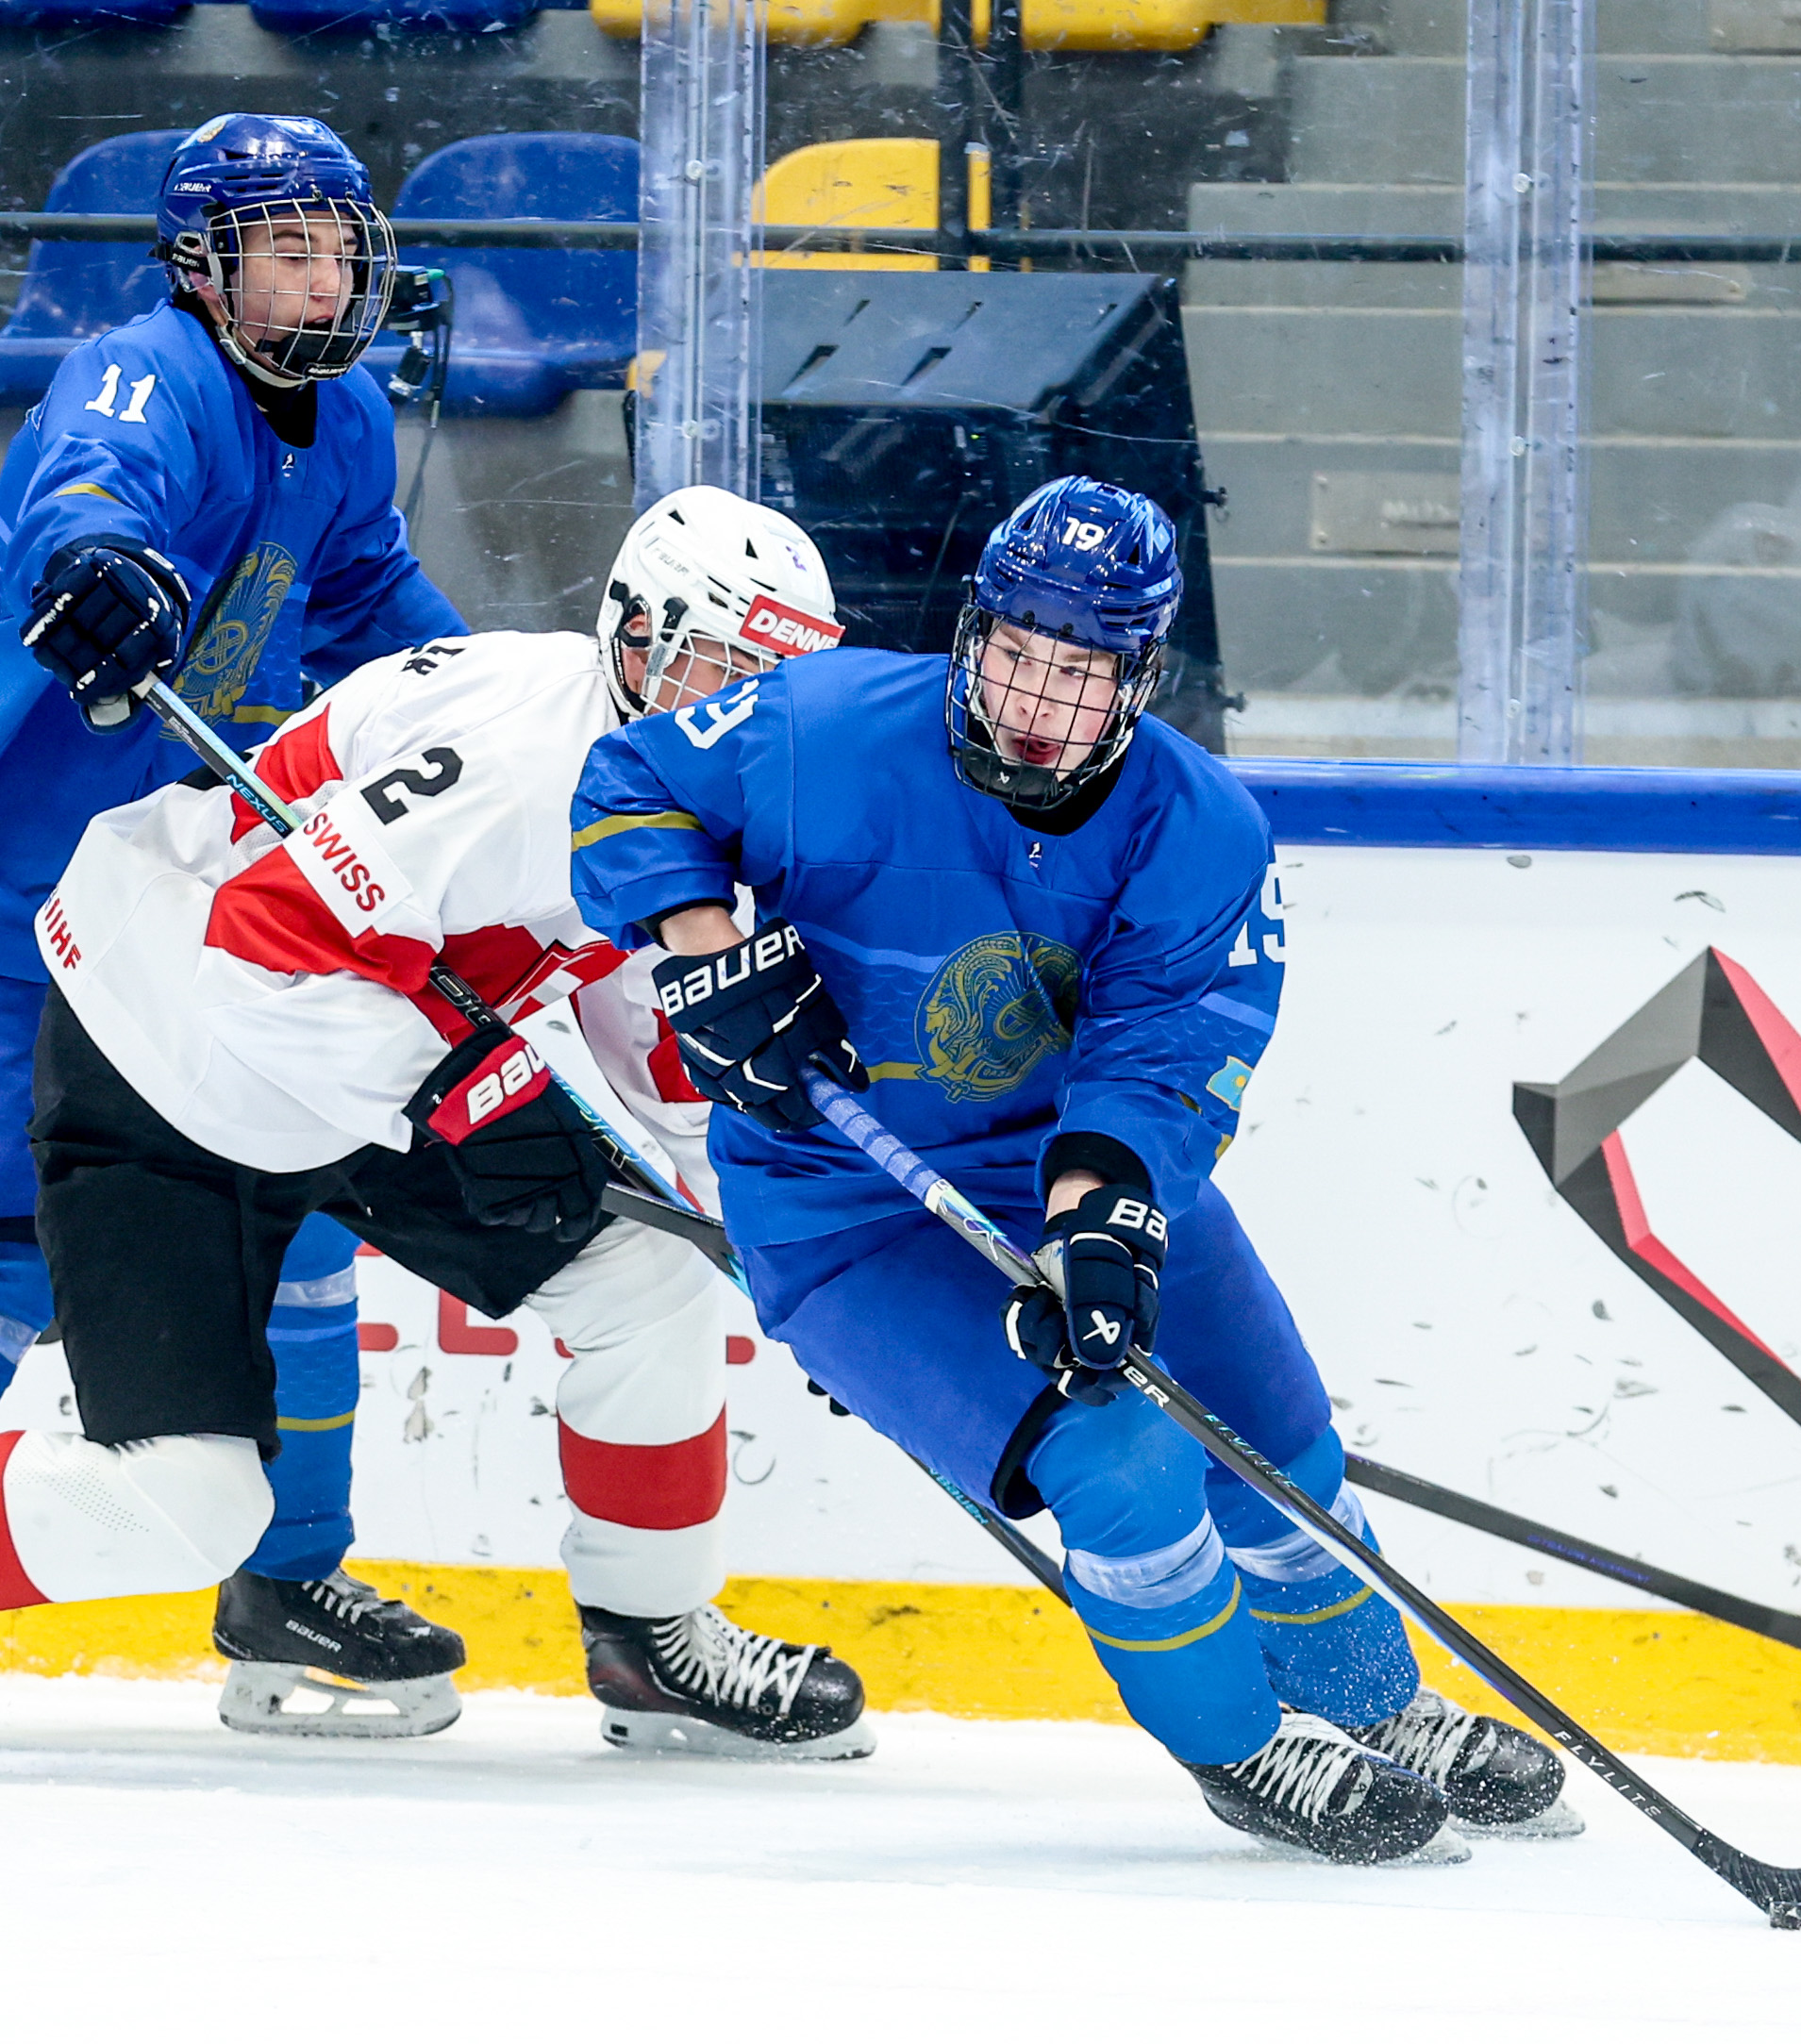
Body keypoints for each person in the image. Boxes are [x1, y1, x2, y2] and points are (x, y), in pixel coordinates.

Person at [0, 489, 875, 1770]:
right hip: (167, 1042)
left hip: (353, 1048)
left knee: (647, 1281)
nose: (739, 711)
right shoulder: (527, 763)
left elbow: (650, 1037)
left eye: (775, 685)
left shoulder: (677, 801)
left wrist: (784, 1251)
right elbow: (265, 937)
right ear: (634, 636)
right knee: (188, 1497)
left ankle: (649, 1635)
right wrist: (452, 1086)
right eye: (720, 667)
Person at [561, 476, 1578, 1866]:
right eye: (1017, 653)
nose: (1037, 699)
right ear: (972, 631)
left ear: (1141, 677)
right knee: (1120, 1461)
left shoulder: (1196, 828)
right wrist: (703, 951)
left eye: (1082, 670)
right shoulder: (818, 725)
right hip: (846, 1208)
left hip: (1066, 1162)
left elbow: (1165, 1054)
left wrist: (1096, 1222)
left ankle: (1373, 1705)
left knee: (1277, 1443)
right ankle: (1242, 1747)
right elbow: (628, 782)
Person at [0, 113, 472, 1749]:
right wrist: (102, 564)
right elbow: (86, 494)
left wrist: (497, 707)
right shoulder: (138, 372)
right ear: (203, 267)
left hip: (167, 909)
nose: (323, 278)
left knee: (299, 1230)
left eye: (338, 247)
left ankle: (284, 1585)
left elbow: (375, 607)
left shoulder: (350, 413)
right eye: (285, 248)